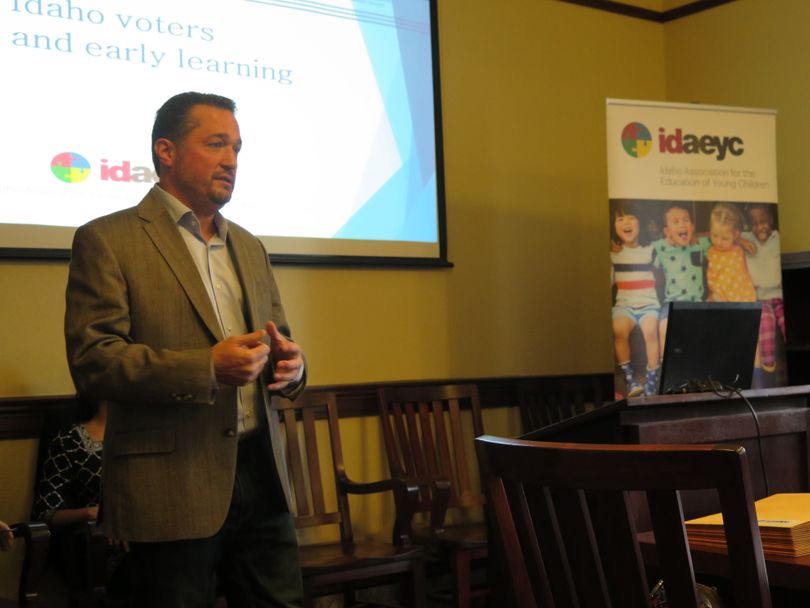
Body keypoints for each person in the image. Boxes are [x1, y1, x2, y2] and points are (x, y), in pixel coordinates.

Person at [64, 92, 306, 608]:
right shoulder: (108, 239)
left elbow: (277, 335)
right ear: (166, 151)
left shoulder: (249, 244)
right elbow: (94, 360)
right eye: (216, 144)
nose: (231, 161)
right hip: (171, 483)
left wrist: (293, 366)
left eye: (237, 148)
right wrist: (206, 367)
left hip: (262, 472)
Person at [609, 201, 660, 397]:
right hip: (625, 306)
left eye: (631, 218)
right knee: (619, 329)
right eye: (620, 219)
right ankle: (630, 379)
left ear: (640, 223)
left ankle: (651, 378)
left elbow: (661, 272)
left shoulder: (650, 249)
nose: (626, 222)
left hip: (649, 305)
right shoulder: (613, 254)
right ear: (614, 227)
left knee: (650, 330)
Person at [651, 203, 711, 356]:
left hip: (696, 302)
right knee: (664, 327)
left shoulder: (699, 244)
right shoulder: (660, 247)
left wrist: (743, 241)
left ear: (692, 227)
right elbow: (640, 246)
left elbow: (720, 234)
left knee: (703, 329)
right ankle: (667, 368)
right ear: (666, 231)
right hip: (671, 303)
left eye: (686, 220)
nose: (682, 224)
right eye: (675, 221)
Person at [744, 203, 786, 379]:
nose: (759, 226)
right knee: (766, 323)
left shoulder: (777, 238)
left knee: (786, 322)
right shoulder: (747, 238)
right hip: (760, 298)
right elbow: (727, 234)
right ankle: (769, 371)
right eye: (754, 223)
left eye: (763, 221)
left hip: (780, 296)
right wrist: (740, 240)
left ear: (771, 219)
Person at [705, 202, 757, 303]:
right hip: (718, 296)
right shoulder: (710, 250)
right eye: (714, 235)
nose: (719, 242)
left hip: (741, 296)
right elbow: (697, 238)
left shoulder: (738, 248)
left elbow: (743, 240)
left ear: (735, 235)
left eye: (724, 238)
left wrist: (742, 240)